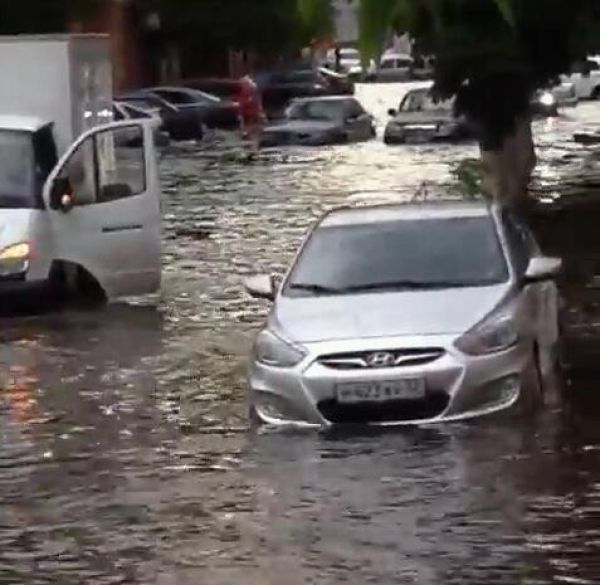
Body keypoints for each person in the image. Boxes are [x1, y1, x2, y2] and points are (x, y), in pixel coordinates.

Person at [238, 75, 265, 155]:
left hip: (253, 117)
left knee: (255, 134)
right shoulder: (245, 93)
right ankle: (254, 150)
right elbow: (242, 106)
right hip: (248, 117)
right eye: (242, 84)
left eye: (244, 84)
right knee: (251, 134)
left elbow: (257, 105)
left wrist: (261, 114)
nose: (242, 86)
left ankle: (255, 150)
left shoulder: (253, 93)